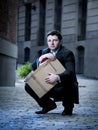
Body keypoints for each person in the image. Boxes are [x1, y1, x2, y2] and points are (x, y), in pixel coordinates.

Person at [25, 30, 79, 115]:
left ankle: (68, 107)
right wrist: (42, 58)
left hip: (63, 85)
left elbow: (71, 72)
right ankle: (48, 105)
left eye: (55, 40)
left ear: (60, 41)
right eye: (49, 40)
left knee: (69, 81)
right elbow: (33, 66)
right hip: (48, 83)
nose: (52, 43)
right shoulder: (45, 51)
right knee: (28, 85)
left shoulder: (67, 53)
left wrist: (57, 77)